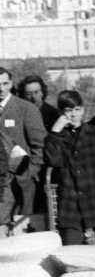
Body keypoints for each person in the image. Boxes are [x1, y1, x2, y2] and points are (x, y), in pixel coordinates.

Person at [43, 90, 95, 248]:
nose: (73, 115)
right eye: (68, 111)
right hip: (71, 203)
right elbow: (53, 161)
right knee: (72, 253)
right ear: (61, 113)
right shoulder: (57, 137)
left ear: (83, 110)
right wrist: (54, 132)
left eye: (77, 109)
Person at [1, 67, 47, 233]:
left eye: (5, 83)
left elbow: (40, 146)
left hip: (20, 185)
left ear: (11, 84)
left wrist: (28, 174)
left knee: (22, 237)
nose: (1, 88)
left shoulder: (25, 108)